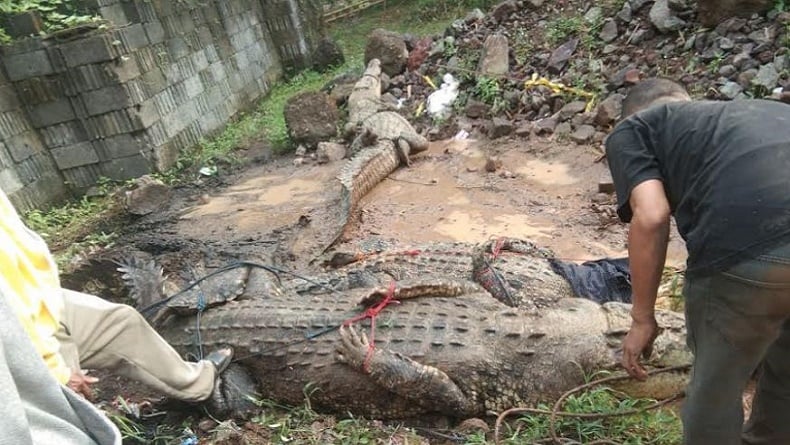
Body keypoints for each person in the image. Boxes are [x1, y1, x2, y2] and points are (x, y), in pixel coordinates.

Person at [605, 77, 790, 445]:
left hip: (747, 247)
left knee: (716, 392)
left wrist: (642, 319)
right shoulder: (767, 112)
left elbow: (652, 216)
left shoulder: (634, 129)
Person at [0, 187, 234, 433]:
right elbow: (11, 329)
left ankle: (198, 385)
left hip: (30, 296)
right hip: (12, 333)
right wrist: (55, 371)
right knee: (59, 411)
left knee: (121, 321)